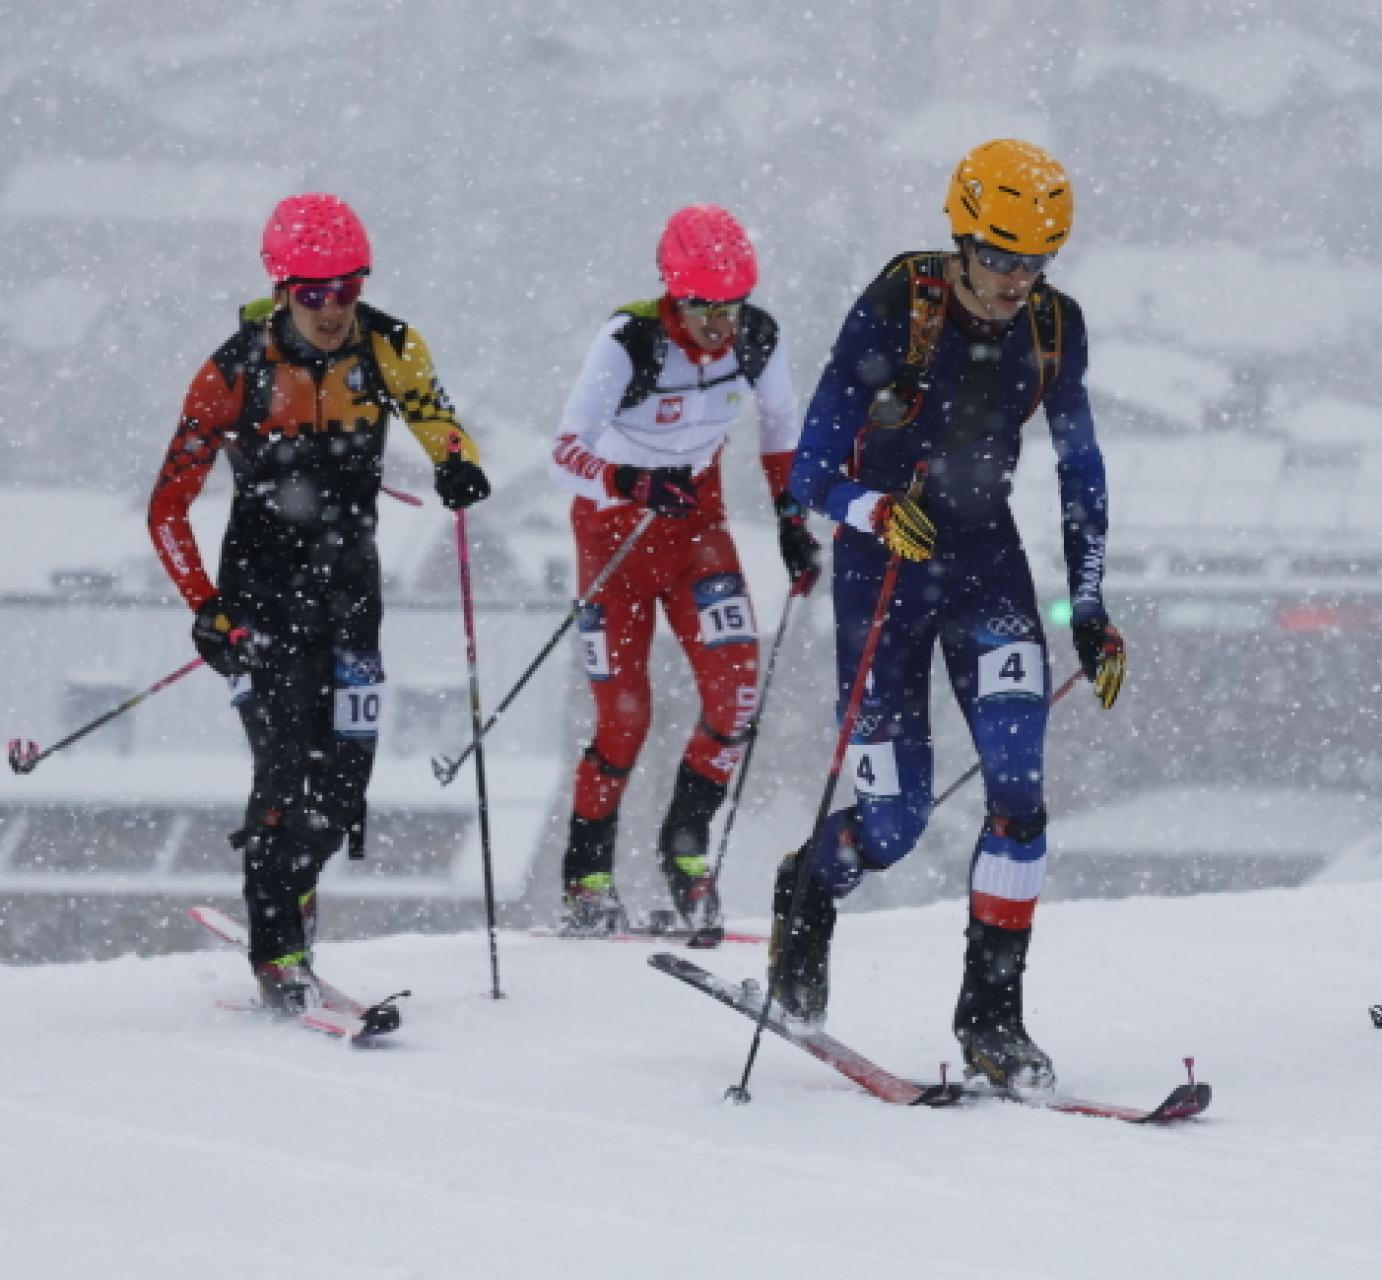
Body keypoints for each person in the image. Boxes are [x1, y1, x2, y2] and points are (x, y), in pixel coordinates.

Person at [765, 139, 1128, 1090]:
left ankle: (991, 1021)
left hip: (984, 562)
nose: (1017, 284)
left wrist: (1088, 602)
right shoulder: (899, 307)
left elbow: (1080, 469)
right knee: (896, 824)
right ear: (960, 239)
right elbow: (809, 471)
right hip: (879, 571)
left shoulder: (1055, 327)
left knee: (1020, 787)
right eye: (1001, 259)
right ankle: (812, 885)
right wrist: (873, 509)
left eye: (1036, 263)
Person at [148, 192, 491, 1012]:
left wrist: (456, 461)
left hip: (350, 597)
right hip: (258, 603)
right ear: (282, 288)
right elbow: (167, 507)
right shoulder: (236, 369)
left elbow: (436, 416)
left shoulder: (390, 344)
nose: (333, 308)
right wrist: (206, 607)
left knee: (342, 790)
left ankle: (297, 884)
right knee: (283, 775)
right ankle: (278, 952)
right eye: (313, 292)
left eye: (347, 288)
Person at [547, 205, 817, 939]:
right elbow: (564, 451)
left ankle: (687, 856)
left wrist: (794, 523)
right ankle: (587, 878)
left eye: (731, 305)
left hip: (697, 531)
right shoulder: (628, 342)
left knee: (735, 697)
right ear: (674, 295)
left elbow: (782, 432)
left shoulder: (756, 339)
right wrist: (630, 480)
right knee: (625, 716)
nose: (719, 324)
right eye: (703, 307)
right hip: (616, 536)